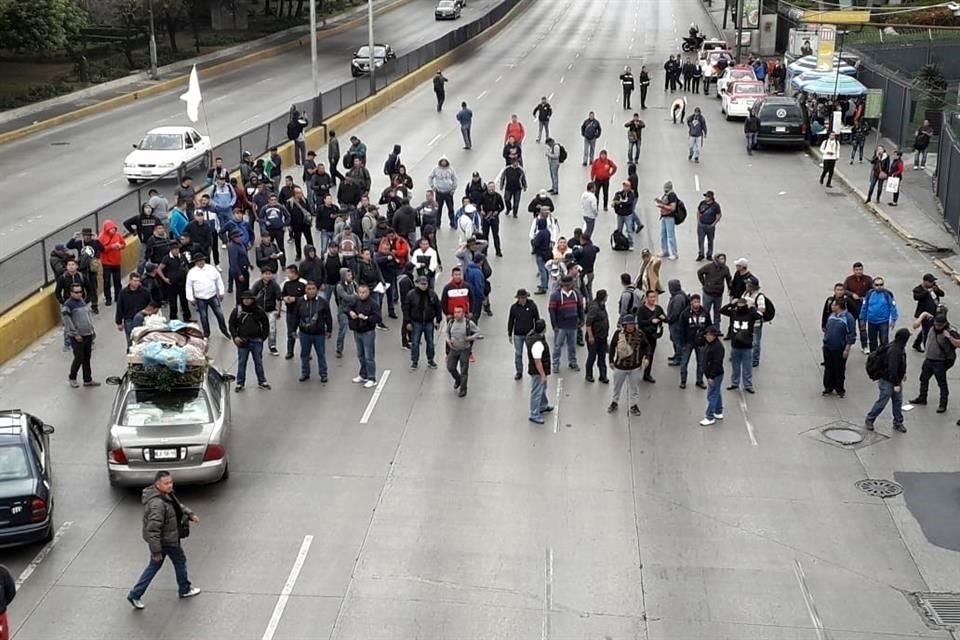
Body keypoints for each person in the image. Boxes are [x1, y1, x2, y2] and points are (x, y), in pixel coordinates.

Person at [126, 471, 201, 610]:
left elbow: (178, 506)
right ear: (157, 484)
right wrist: (156, 551)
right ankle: (184, 589)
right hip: (167, 541)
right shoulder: (157, 505)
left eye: (171, 482)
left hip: (165, 541)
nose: (170, 485)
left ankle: (135, 594)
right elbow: (153, 529)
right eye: (166, 483)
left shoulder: (165, 495)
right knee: (180, 562)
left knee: (154, 567)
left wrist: (190, 514)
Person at [909, 312, 960, 413]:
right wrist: (918, 320)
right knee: (923, 378)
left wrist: (949, 337)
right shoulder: (933, 322)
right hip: (928, 359)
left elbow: (958, 343)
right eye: (936, 324)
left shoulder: (950, 331)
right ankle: (922, 397)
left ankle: (943, 404)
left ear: (945, 324)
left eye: (939, 325)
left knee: (942, 383)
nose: (937, 326)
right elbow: (924, 314)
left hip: (940, 362)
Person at [865, 328, 910, 433]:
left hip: (894, 380)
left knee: (897, 401)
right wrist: (896, 384)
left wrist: (903, 374)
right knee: (883, 401)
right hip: (888, 381)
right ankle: (870, 418)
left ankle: (898, 422)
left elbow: (901, 363)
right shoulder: (895, 350)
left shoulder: (897, 346)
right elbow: (892, 369)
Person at [228, 291, 271, 392]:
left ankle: (262, 381)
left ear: (252, 300)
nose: (246, 301)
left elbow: (266, 324)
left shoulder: (259, 311)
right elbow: (231, 324)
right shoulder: (237, 311)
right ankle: (240, 383)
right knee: (242, 362)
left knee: (258, 362)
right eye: (245, 299)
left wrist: (263, 337)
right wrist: (235, 337)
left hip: (256, 341)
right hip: (242, 341)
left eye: (249, 299)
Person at [607, 314, 649, 416]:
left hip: (635, 366)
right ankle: (614, 402)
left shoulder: (640, 334)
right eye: (628, 324)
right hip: (620, 366)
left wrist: (647, 358)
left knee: (634, 388)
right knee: (617, 386)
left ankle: (634, 405)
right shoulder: (618, 334)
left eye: (632, 324)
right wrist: (611, 360)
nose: (630, 326)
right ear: (624, 325)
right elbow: (612, 347)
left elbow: (647, 346)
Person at [720, 297, 762, 393]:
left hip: (747, 346)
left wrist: (753, 308)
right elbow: (722, 310)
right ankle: (735, 383)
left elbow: (760, 316)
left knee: (747, 367)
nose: (740, 308)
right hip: (735, 345)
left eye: (742, 306)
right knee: (735, 367)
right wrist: (731, 304)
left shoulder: (751, 314)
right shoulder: (733, 313)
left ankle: (748, 385)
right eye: (738, 306)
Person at [294, 281, 333, 383]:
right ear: (305, 290)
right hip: (304, 333)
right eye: (309, 289)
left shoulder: (322, 302)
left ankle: (323, 374)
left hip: (319, 333)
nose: (311, 291)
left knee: (321, 354)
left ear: (317, 290)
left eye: (313, 289)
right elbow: (296, 316)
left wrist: (329, 329)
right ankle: (305, 373)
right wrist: (293, 329)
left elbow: (328, 317)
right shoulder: (300, 301)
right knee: (304, 354)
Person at [185, 254, 230, 339]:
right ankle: (206, 333)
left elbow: (218, 280)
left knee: (219, 314)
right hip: (200, 298)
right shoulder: (192, 272)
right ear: (195, 263)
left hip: (212, 296)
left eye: (202, 260)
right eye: (198, 261)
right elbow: (188, 286)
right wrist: (190, 298)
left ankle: (224, 330)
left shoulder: (211, 269)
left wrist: (221, 292)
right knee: (204, 316)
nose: (200, 263)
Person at [62, 284, 99, 388]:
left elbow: (87, 317)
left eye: (80, 292)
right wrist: (75, 334)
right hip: (78, 336)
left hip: (88, 334)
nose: (79, 294)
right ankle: (72, 378)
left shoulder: (82, 302)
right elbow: (67, 321)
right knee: (79, 357)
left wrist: (92, 330)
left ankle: (87, 379)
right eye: (76, 292)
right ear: (71, 293)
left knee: (87, 358)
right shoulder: (68, 305)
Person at [404, 275, 442, 369]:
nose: (424, 286)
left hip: (429, 322)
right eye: (422, 284)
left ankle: (430, 360)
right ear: (417, 284)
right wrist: (407, 322)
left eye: (425, 284)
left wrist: (438, 320)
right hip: (416, 322)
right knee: (415, 342)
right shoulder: (411, 295)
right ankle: (414, 361)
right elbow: (406, 309)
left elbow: (438, 307)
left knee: (430, 342)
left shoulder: (432, 294)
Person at [347, 284, 381, 388]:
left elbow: (378, 318)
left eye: (364, 292)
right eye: (360, 292)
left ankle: (372, 378)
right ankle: (363, 374)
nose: (362, 294)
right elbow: (346, 308)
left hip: (368, 332)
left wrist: (366, 318)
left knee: (368, 356)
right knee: (360, 355)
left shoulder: (373, 304)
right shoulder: (355, 301)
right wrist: (350, 312)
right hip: (357, 331)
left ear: (368, 292)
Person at [822, 299, 856, 397]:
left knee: (839, 369)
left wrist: (847, 349)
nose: (831, 306)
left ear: (838, 306)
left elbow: (851, 334)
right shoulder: (831, 315)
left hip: (839, 348)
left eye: (833, 305)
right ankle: (828, 387)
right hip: (828, 346)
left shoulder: (848, 318)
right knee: (828, 368)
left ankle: (839, 388)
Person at [445, 305, 482, 397]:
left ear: (463, 313)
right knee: (450, 367)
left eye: (459, 312)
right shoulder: (451, 322)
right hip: (453, 349)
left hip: (464, 350)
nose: (456, 314)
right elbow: (446, 332)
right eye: (455, 312)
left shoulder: (468, 323)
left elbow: (478, 332)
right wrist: (448, 340)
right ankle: (458, 379)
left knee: (464, 370)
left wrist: (470, 338)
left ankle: (463, 389)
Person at [549, 275, 584, 371]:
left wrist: (582, 320)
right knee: (557, 346)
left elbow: (580, 307)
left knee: (572, 346)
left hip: (573, 325)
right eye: (571, 283)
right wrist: (554, 325)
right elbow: (552, 310)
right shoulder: (555, 295)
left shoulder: (576, 293)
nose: (573, 285)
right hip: (561, 326)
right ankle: (555, 364)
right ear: (565, 285)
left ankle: (572, 362)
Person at [526, 319, 555, 424]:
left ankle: (543, 405)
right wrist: (543, 375)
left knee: (542, 388)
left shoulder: (532, 336)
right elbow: (538, 361)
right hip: (538, 372)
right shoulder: (538, 343)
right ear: (544, 329)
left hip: (538, 370)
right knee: (537, 392)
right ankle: (534, 414)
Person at [508, 288, 541, 380]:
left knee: (532, 353)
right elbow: (511, 321)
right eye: (520, 298)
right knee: (518, 354)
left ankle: (533, 370)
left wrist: (537, 332)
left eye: (523, 297)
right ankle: (519, 372)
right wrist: (510, 334)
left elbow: (537, 319)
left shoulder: (532, 306)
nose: (522, 299)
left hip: (530, 334)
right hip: (518, 334)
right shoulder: (514, 308)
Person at [250, 268, 282, 356]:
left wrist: (278, 311)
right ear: (262, 274)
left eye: (269, 274)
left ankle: (272, 346)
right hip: (259, 311)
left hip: (271, 310)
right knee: (258, 329)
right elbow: (251, 297)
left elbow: (279, 299)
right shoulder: (257, 284)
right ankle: (258, 346)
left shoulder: (274, 285)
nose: (268, 276)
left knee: (272, 329)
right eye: (266, 274)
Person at [861, 276, 898, 352]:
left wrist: (893, 320)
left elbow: (893, 307)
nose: (879, 287)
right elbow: (864, 307)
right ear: (873, 285)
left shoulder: (887, 294)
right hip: (871, 322)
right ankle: (873, 359)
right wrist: (862, 319)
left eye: (881, 285)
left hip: (883, 322)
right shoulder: (869, 294)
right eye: (877, 285)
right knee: (872, 342)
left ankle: (884, 359)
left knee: (884, 342)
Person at [635, 290, 665, 383]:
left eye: (654, 297)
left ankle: (647, 374)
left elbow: (664, 317)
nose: (653, 299)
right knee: (640, 354)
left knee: (650, 354)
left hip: (653, 336)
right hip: (643, 336)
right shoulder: (641, 309)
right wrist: (651, 321)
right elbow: (640, 322)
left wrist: (663, 318)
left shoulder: (658, 308)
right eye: (651, 297)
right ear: (647, 298)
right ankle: (634, 372)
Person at [115, 272, 151, 346]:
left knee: (143, 341)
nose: (137, 283)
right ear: (130, 281)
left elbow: (151, 304)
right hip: (129, 321)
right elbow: (119, 307)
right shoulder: (123, 293)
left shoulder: (145, 292)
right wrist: (118, 322)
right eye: (135, 281)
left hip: (143, 320)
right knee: (131, 342)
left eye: (138, 281)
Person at [844, 262, 872, 353]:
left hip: (862, 306)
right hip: (851, 306)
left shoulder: (868, 279)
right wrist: (852, 294)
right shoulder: (849, 279)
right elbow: (844, 290)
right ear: (854, 270)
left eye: (860, 269)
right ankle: (847, 344)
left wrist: (866, 297)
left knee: (862, 327)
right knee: (849, 327)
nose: (858, 271)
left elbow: (872, 290)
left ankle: (864, 346)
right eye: (857, 270)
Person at [912, 273, 944, 352]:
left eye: (933, 281)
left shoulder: (934, 286)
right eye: (930, 281)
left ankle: (916, 343)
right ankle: (927, 349)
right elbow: (916, 297)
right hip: (924, 314)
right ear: (925, 281)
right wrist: (927, 292)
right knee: (927, 331)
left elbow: (942, 294)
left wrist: (936, 290)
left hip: (935, 312)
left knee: (927, 329)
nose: (932, 283)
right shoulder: (918, 289)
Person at [700, 325, 725, 426]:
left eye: (709, 335)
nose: (707, 336)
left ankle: (710, 416)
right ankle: (718, 411)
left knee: (712, 395)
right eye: (706, 334)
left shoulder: (717, 348)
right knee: (716, 392)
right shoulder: (711, 344)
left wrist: (711, 377)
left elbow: (717, 363)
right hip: (713, 374)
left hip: (715, 374)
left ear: (715, 336)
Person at [584, 289, 610, 384]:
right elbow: (588, 323)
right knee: (592, 356)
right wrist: (590, 336)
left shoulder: (602, 306)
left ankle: (603, 376)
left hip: (602, 337)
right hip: (594, 337)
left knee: (602, 357)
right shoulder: (594, 308)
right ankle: (589, 374)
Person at [429, 156, 458, 229]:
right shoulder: (436, 169)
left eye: (445, 161)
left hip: (448, 192)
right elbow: (430, 177)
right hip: (439, 192)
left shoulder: (451, 170)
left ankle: (452, 223)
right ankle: (437, 224)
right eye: (442, 161)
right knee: (438, 209)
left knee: (450, 209)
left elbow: (455, 179)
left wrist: (453, 189)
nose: (444, 162)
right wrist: (432, 186)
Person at [654, 181, 679, 260]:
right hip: (664, 217)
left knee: (670, 236)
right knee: (663, 235)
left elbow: (672, 207)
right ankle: (665, 251)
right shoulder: (666, 195)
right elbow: (666, 203)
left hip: (669, 217)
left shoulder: (672, 195)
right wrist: (659, 201)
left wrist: (662, 206)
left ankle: (674, 253)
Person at [695, 190, 720, 261]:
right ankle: (701, 254)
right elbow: (698, 211)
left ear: (711, 197)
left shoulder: (716, 206)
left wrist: (714, 224)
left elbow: (718, 215)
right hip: (701, 225)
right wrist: (698, 221)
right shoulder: (702, 203)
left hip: (710, 226)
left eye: (707, 197)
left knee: (710, 241)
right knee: (700, 240)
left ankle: (709, 254)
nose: (705, 198)